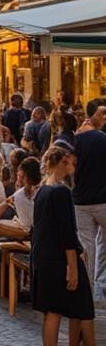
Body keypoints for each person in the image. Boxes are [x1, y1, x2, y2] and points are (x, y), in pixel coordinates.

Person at [31, 146, 97, 346]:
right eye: (70, 163)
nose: (73, 168)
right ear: (62, 163)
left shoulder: (42, 190)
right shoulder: (60, 191)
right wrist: (73, 265)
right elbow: (66, 231)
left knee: (53, 311)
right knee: (74, 308)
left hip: (44, 256)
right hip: (58, 259)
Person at [72, 121, 106, 302]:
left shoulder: (76, 141)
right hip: (103, 201)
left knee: (86, 246)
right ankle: (101, 281)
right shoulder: (103, 140)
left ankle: (87, 291)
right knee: (103, 245)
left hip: (81, 202)